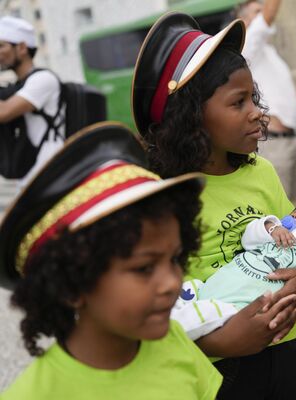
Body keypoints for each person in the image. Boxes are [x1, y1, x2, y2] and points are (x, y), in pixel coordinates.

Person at [131, 12, 296, 399]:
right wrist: (217, 343)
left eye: (254, 97)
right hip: (217, 370)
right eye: (238, 102)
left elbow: (294, 240)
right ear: (191, 117)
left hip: (288, 351)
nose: (258, 112)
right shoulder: (160, 197)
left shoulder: (261, 172)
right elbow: (149, 305)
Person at [0, 123, 222, 399]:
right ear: (71, 285)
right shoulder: (35, 394)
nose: (172, 282)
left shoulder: (174, 340)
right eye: (144, 268)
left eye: (175, 258)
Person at [173, 203, 296, 339]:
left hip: (237, 305)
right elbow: (248, 239)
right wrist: (271, 228)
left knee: (202, 316)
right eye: (295, 214)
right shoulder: (272, 236)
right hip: (208, 287)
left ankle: (173, 333)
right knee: (187, 289)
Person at [236, 0, 296, 200]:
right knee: (282, 216)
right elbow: (270, 11)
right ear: (243, 21)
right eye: (257, 11)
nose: (263, 13)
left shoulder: (266, 51)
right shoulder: (247, 44)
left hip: (288, 140)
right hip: (274, 142)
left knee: (295, 211)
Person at [0, 16, 64, 186]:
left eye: (1, 46)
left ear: (21, 48)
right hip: (32, 172)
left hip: (53, 170)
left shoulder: (43, 79)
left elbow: (3, 112)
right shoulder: (19, 85)